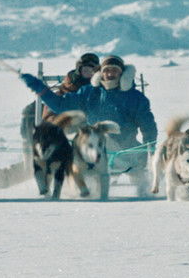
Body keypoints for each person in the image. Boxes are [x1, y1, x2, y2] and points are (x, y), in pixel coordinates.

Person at [17, 54, 158, 190]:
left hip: (125, 152)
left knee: (141, 180)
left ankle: (148, 193)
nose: (110, 74)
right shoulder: (88, 92)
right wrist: (39, 88)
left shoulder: (135, 98)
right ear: (100, 73)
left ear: (122, 74)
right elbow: (60, 105)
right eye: (106, 70)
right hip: (93, 151)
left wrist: (150, 146)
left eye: (115, 70)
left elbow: (148, 125)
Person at [0, 53, 100, 188]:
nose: (88, 73)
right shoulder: (67, 88)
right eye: (85, 69)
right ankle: (12, 173)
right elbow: (54, 110)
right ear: (79, 70)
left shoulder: (98, 89)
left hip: (86, 136)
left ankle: (8, 176)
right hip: (62, 130)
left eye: (92, 70)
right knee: (33, 119)